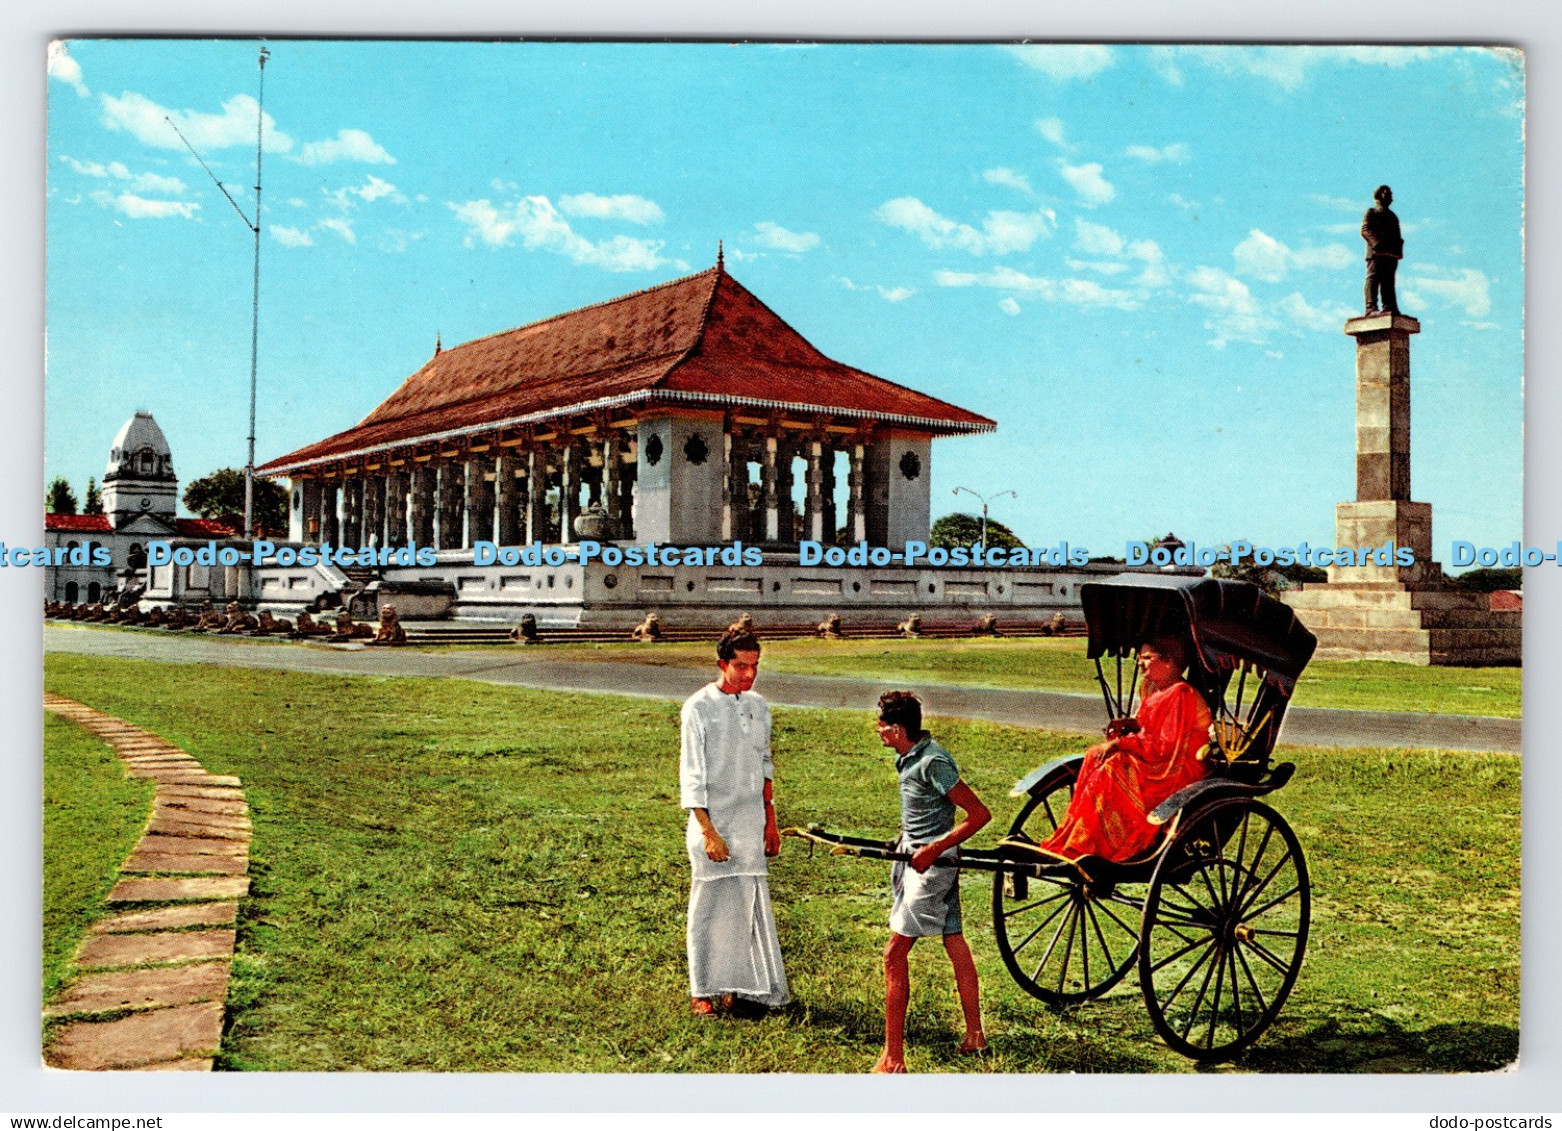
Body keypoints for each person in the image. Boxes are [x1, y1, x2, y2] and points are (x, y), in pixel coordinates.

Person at [872, 691, 991, 1073]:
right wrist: (908, 838)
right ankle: (975, 1036)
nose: (878, 731)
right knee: (954, 939)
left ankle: (893, 1058)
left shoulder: (933, 761)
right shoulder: (908, 757)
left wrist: (933, 849)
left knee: (894, 954)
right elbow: (924, 812)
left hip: (932, 867)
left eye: (882, 725)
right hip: (918, 858)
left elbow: (978, 815)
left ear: (899, 728)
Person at [680, 627, 789, 1017]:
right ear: (722, 664)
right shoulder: (698, 706)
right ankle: (701, 990)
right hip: (714, 822)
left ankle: (738, 987)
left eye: (754, 667)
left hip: (750, 822)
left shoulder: (758, 705)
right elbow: (692, 775)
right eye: (740, 666)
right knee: (708, 905)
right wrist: (709, 833)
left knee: (745, 905)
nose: (748, 675)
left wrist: (771, 823)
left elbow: (765, 766)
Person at [1039, 635, 1212, 863]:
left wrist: (1119, 743)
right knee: (1095, 756)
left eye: (1147, 658)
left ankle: (1104, 843)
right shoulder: (1157, 690)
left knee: (1113, 768)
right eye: (1140, 658)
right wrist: (1130, 725)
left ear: (1168, 661)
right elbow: (1150, 729)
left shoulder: (1180, 694)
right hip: (1157, 758)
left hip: (1175, 768)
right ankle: (1083, 839)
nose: (1140, 664)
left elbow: (1164, 746)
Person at [1362, 184, 1404, 315]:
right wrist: (1376, 244)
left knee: (1389, 281)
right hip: (1376, 253)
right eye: (1387, 194)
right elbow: (1365, 230)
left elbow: (1397, 236)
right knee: (1373, 279)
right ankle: (1370, 307)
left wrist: (1397, 251)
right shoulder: (1372, 212)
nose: (1391, 197)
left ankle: (1389, 306)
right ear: (1379, 195)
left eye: (1391, 195)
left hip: (1390, 254)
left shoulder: (1393, 216)